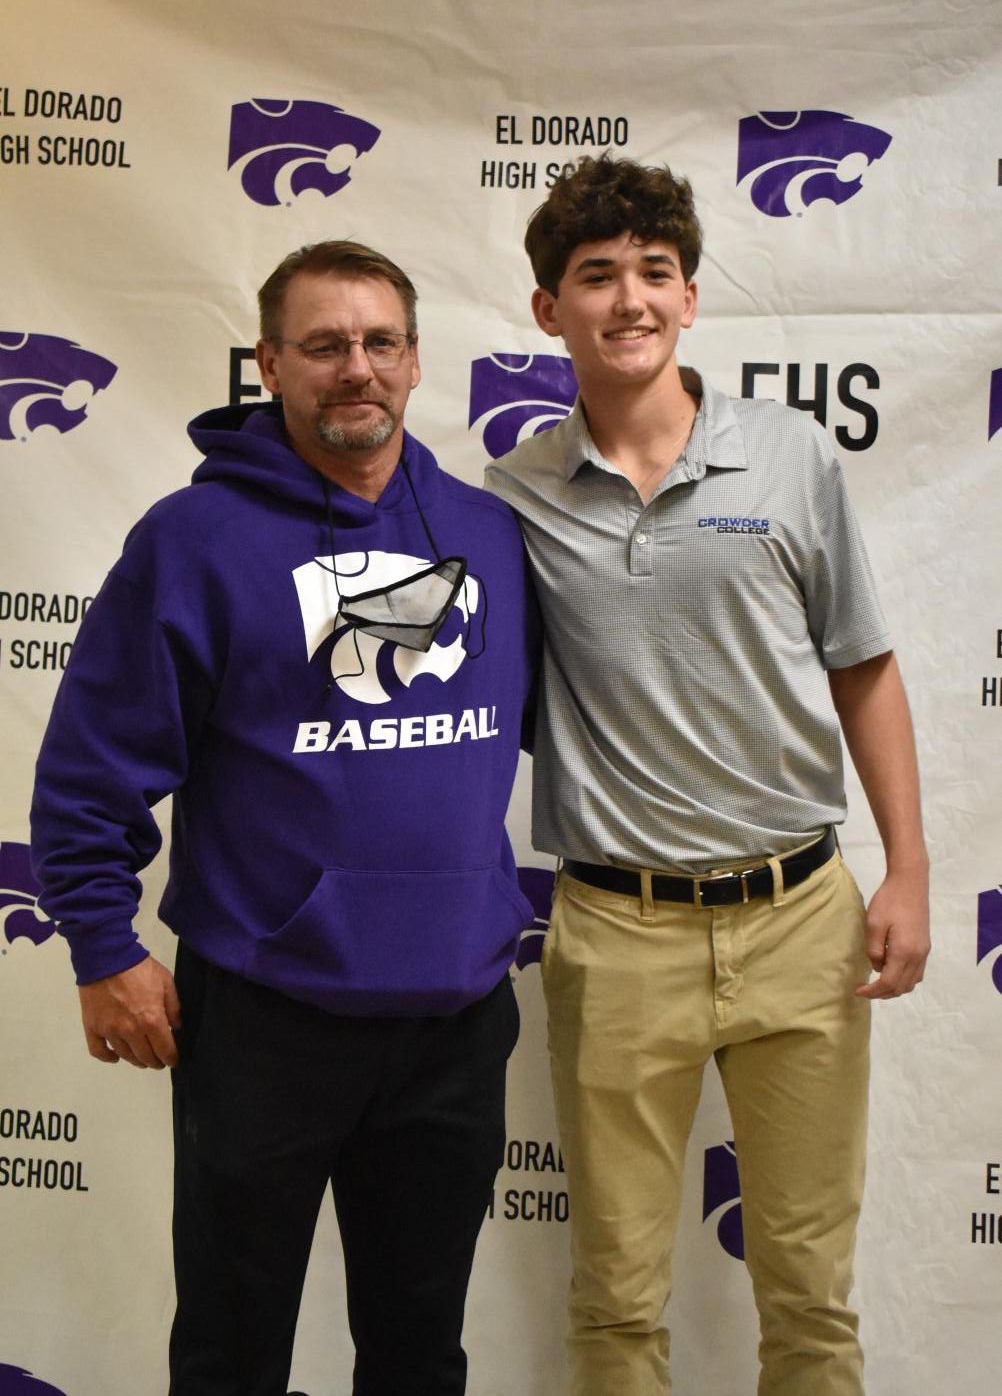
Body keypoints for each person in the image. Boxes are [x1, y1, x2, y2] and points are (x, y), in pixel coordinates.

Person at [31, 240, 537, 1396]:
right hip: (264, 1016)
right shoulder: (193, 542)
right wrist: (105, 948)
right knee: (230, 1346)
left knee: (420, 1353)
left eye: (378, 343)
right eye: (323, 345)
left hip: (456, 1021)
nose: (354, 367)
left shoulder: (494, 538)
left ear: (415, 362)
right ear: (269, 363)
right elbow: (88, 768)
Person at [485, 155, 930, 1396]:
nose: (627, 298)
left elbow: (866, 668)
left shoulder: (789, 455)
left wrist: (910, 866)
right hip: (616, 931)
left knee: (808, 1291)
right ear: (547, 309)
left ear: (689, 300)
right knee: (618, 1296)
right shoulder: (510, 497)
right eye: (595, 276)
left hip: (804, 920)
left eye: (654, 273)